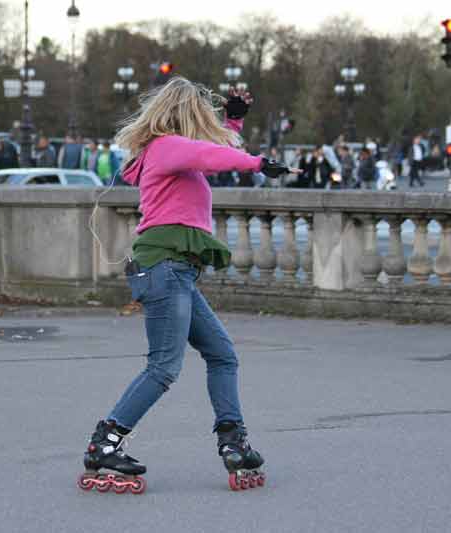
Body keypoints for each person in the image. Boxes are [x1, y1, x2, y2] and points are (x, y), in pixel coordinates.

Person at [78, 78, 292, 494]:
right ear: (186, 114)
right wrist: (256, 162)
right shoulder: (166, 146)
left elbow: (208, 152)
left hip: (175, 271)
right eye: (204, 115)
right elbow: (212, 155)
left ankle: (233, 441)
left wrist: (233, 122)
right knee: (163, 367)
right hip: (165, 268)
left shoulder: (175, 153)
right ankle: (105, 442)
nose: (207, 122)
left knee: (222, 354)